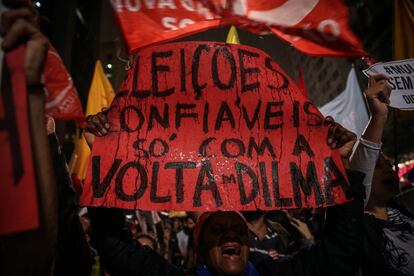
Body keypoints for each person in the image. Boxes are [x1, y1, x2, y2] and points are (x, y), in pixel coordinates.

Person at [347, 74, 414, 275]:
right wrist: (378, 118)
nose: (388, 166)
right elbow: (358, 183)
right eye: (377, 164)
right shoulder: (355, 227)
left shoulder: (407, 205)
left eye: (387, 161)